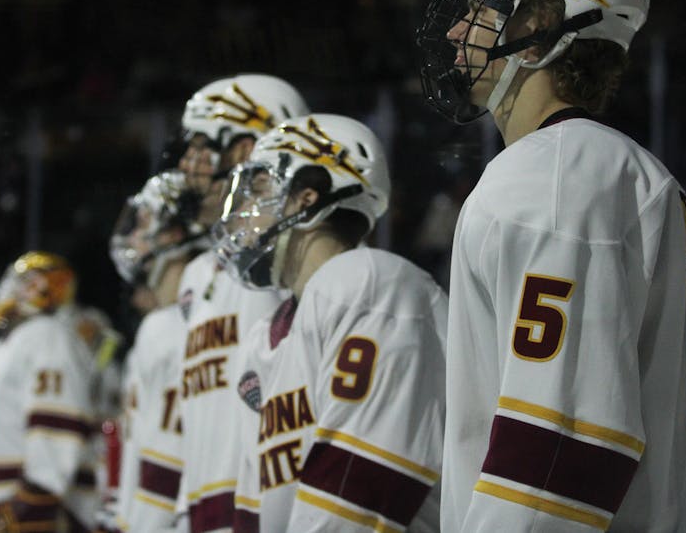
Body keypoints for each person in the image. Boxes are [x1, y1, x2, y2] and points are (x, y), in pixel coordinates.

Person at [415, 0, 686, 530]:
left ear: (538, 23)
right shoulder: (600, 170)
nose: (458, 30)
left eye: (483, 4)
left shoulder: (557, 179)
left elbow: (558, 456)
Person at [215, 113, 448, 531]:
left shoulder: (370, 282)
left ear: (307, 197)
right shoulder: (262, 339)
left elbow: (361, 488)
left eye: (262, 189)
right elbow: (254, 510)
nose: (247, 210)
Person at [174, 73, 310, 532]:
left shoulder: (283, 256)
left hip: (259, 506)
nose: (188, 165)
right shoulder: (198, 272)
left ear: (247, 150)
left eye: (201, 146)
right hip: (202, 509)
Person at [105, 169, 207, 532]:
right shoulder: (163, 324)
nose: (133, 235)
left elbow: (167, 458)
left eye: (145, 223)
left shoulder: (171, 328)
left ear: (175, 234)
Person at [0, 251, 100, 533]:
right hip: (6, 501)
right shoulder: (9, 344)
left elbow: (55, 430)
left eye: (22, 280)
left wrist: (34, 500)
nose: (8, 287)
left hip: (42, 509)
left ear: (42, 287)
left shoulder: (47, 336)